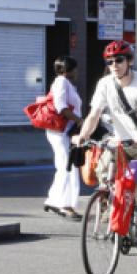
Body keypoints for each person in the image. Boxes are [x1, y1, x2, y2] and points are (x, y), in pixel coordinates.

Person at [72, 41, 137, 269]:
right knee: (103, 172)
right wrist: (83, 135)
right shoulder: (105, 84)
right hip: (119, 143)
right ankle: (114, 213)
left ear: (129, 61)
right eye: (110, 62)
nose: (114, 65)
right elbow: (94, 115)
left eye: (119, 60)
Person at [44, 55, 84, 219]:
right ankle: (64, 204)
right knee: (67, 166)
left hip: (64, 131)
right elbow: (61, 106)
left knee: (66, 165)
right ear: (67, 70)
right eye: (74, 68)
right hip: (61, 131)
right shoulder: (61, 82)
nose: (77, 71)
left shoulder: (65, 83)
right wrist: (80, 120)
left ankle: (54, 199)